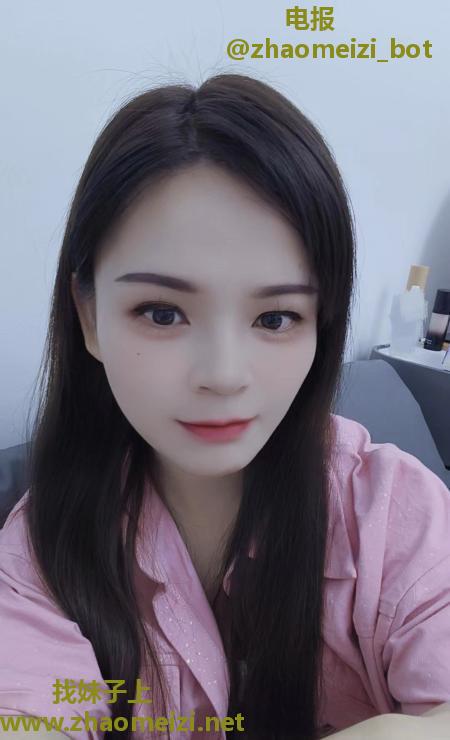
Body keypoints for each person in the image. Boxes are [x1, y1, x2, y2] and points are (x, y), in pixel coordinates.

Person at [0, 73, 449, 740]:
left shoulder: (393, 516)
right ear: (89, 318)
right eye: (162, 312)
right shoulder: (45, 546)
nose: (223, 375)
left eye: (275, 318)